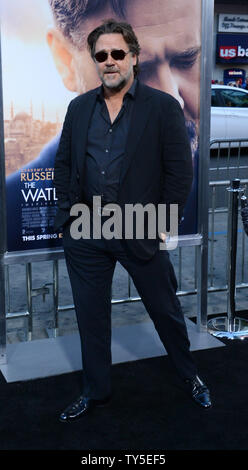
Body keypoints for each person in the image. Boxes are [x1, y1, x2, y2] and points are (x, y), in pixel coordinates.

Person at [54, 18, 211, 423]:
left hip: (140, 227)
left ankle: (190, 376)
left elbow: (179, 173)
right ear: (95, 60)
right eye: (101, 55)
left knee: (165, 310)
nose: (109, 61)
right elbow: (65, 164)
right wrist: (68, 220)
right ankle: (96, 391)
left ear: (133, 58)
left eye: (117, 54)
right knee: (91, 318)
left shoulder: (162, 108)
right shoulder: (78, 108)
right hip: (87, 230)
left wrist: (162, 221)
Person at [6, 0, 201, 252]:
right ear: (66, 60)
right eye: (136, 72)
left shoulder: (197, 194)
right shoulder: (13, 208)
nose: (173, 97)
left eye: (187, 60)